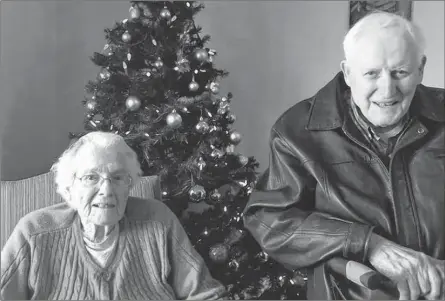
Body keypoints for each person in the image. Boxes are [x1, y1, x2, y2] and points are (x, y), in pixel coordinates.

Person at [243, 11, 444, 300]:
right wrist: (368, 243)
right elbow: (268, 220)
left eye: (401, 72)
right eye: (371, 73)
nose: (387, 90)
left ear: (421, 69)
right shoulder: (298, 131)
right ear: (348, 73)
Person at [1, 131, 226, 300]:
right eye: (91, 177)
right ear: (68, 188)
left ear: (130, 185)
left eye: (118, 178)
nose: (106, 190)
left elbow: (206, 294)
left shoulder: (158, 220)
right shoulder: (35, 231)